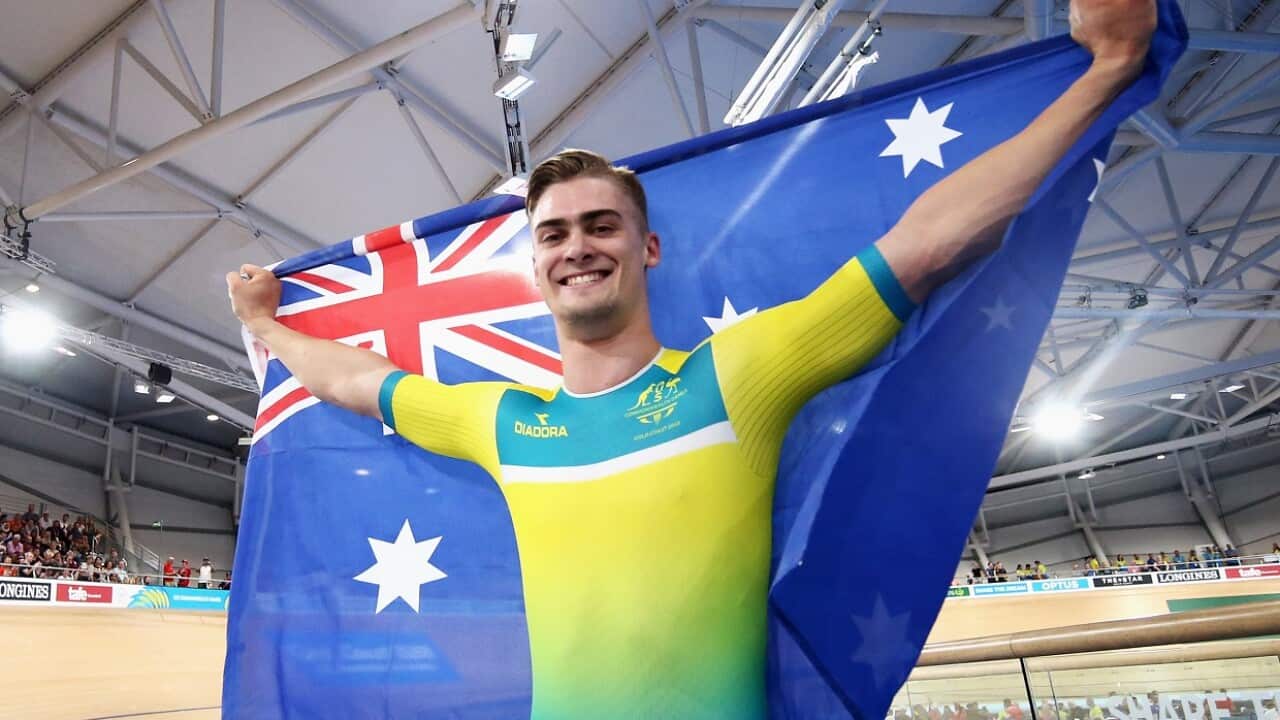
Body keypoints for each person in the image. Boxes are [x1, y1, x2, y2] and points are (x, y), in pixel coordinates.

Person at [225, 3, 1158, 716]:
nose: (577, 246)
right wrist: (265, 327)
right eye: (554, 234)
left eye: (601, 225)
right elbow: (355, 382)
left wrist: (1107, 71)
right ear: (536, 265)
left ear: (647, 250)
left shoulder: (736, 377)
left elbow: (923, 243)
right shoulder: (504, 424)